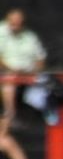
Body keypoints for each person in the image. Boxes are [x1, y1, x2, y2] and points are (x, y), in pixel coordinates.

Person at [0, 8, 46, 136]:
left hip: (27, 74)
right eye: (13, 22)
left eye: (18, 22)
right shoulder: (1, 32)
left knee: (47, 83)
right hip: (7, 74)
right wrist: (11, 69)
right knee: (9, 82)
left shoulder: (30, 36)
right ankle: (10, 115)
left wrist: (35, 70)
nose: (15, 25)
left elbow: (40, 58)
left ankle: (47, 115)